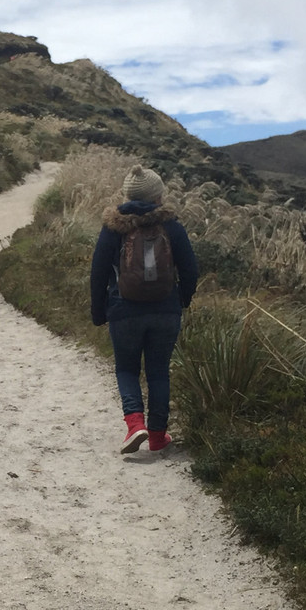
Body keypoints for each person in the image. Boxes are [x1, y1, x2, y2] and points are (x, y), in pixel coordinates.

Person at [89, 165, 198, 454]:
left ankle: (135, 424)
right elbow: (190, 269)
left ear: (126, 196)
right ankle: (158, 436)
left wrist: (99, 312)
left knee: (126, 368)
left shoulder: (114, 228)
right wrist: (181, 300)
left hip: (123, 310)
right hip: (165, 311)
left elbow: (98, 272)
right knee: (159, 371)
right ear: (158, 196)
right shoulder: (172, 226)